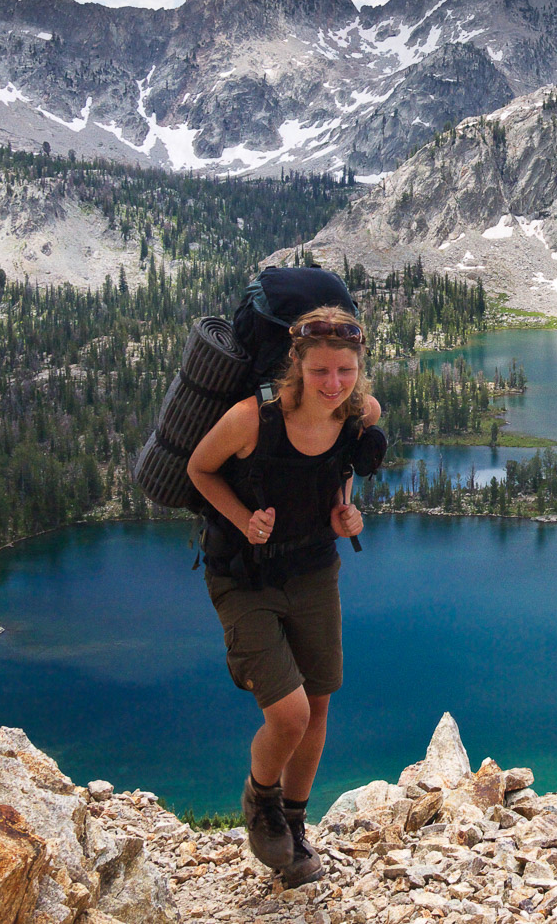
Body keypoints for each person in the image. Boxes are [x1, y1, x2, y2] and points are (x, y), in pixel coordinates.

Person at [188, 306, 381, 886]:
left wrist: (347, 513)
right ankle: (261, 800)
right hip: (244, 577)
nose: (333, 384)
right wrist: (244, 519)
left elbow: (342, 467)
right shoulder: (253, 418)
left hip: (313, 569)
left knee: (318, 702)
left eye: (345, 371)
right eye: (321, 370)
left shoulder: (359, 413)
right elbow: (201, 469)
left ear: (358, 367)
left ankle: (294, 826)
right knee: (290, 713)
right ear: (297, 364)